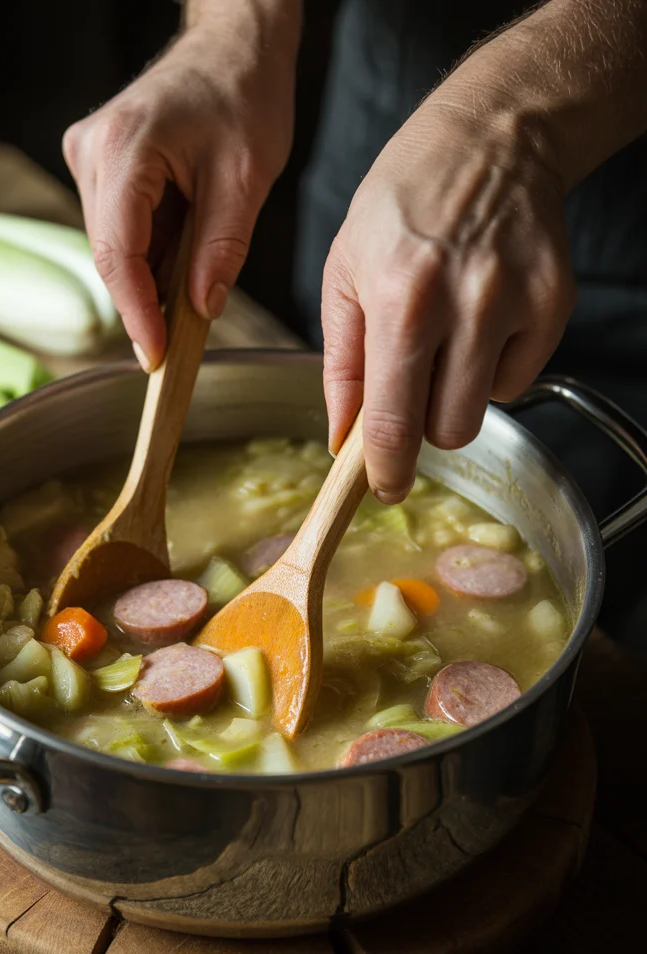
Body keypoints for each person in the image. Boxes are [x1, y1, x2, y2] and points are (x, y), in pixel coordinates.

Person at [62, 0, 647, 653]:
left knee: (616, 584)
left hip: (627, 213)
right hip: (388, 98)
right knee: (358, 390)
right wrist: (234, 27)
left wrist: (511, 123)